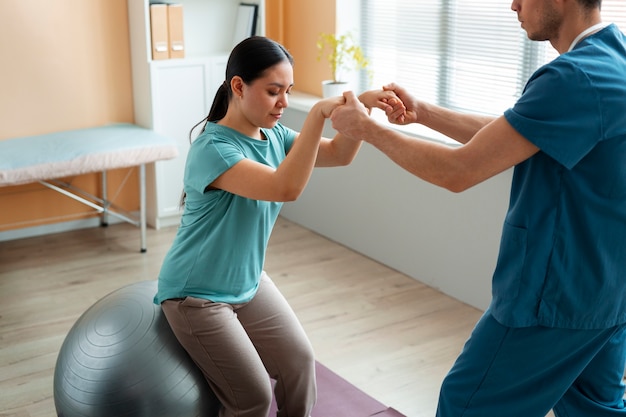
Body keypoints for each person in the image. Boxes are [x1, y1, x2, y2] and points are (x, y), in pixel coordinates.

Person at [329, 0, 626, 416]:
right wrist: (424, 113)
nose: (513, 5)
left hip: (553, 297)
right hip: (608, 293)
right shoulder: (613, 60)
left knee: (466, 405)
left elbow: (457, 171)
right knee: (596, 408)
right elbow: (522, 132)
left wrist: (366, 129)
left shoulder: (572, 77)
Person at [153, 36, 396, 417]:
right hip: (196, 296)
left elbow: (339, 154)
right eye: (273, 91)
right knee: (251, 398)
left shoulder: (275, 136)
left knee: (299, 365)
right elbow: (285, 187)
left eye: (289, 92)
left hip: (248, 284)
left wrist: (361, 109)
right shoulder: (214, 149)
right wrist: (317, 114)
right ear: (238, 86)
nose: (283, 103)